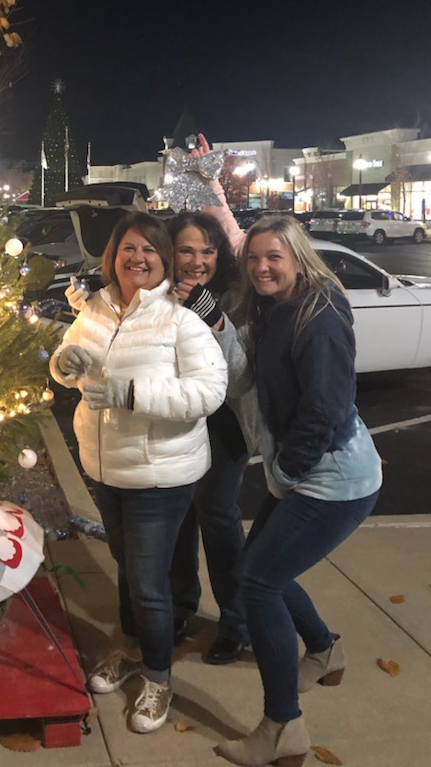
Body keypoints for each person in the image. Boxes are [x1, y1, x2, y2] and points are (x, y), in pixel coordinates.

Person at [49, 211, 228, 733]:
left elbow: (207, 393)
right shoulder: (98, 309)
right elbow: (66, 359)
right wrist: (65, 364)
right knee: (128, 567)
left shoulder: (180, 319)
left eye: (149, 250)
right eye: (128, 248)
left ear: (164, 261)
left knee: (149, 582)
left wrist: (130, 394)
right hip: (105, 468)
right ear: (114, 257)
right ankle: (131, 647)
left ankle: (157, 676)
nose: (138, 258)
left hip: (160, 473)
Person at [214, 215, 382, 767]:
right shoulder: (280, 302)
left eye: (274, 258)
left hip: (334, 478)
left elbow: (326, 409)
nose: (262, 267)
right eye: (255, 258)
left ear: (298, 259)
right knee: (259, 568)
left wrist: (287, 470)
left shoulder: (319, 316)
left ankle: (282, 725)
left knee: (257, 583)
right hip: (310, 469)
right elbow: (244, 245)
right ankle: (325, 649)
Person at [168, 211, 259, 663]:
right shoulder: (160, 293)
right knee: (179, 518)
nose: (197, 260)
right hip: (176, 421)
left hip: (224, 425)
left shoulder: (238, 296)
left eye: (207, 250)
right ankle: (181, 606)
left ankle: (236, 621)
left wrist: (216, 321)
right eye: (186, 249)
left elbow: (241, 379)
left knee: (218, 518)